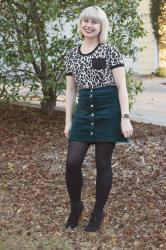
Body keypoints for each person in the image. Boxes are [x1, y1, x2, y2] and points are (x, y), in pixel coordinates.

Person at [64, 6, 133, 232]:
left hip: (108, 109)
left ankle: (98, 212)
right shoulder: (72, 54)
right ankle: (76, 207)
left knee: (103, 164)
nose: (89, 25)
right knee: (72, 162)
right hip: (84, 110)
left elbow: (122, 86)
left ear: (101, 26)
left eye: (94, 22)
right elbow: (71, 91)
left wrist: (125, 117)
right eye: (85, 20)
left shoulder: (110, 51)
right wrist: (68, 121)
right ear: (80, 24)